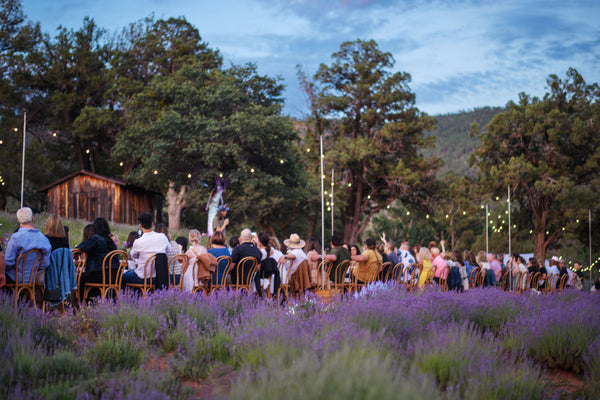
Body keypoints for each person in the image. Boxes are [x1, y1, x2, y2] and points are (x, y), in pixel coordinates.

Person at [4, 208, 52, 296]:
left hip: (14, 277)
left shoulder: (16, 238)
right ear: (32, 218)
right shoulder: (44, 239)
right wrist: (33, 269)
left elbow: (9, 262)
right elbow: (45, 264)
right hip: (33, 277)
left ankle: (6, 304)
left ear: (18, 220)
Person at [122, 212, 170, 286]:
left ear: (140, 226)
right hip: (160, 276)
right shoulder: (162, 237)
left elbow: (133, 256)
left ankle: (126, 297)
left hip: (142, 277)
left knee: (120, 277)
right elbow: (169, 250)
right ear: (152, 224)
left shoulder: (138, 241)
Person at [77, 217, 118, 301]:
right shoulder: (111, 242)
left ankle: (81, 304)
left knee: (80, 278)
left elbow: (81, 247)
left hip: (100, 275)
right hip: (114, 276)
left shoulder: (96, 239)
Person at [230, 229, 262, 293]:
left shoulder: (237, 249)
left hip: (237, 279)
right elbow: (258, 268)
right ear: (251, 238)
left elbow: (231, 267)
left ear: (240, 238)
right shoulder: (257, 250)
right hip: (250, 280)